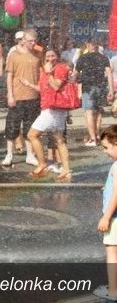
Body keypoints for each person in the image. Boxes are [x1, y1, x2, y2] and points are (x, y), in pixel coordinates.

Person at [23, 48, 73, 181]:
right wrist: (29, 85)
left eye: (53, 56)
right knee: (59, 140)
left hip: (53, 109)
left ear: (57, 56)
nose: (50, 59)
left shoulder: (61, 68)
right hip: (50, 108)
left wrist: (49, 72)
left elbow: (56, 86)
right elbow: (43, 89)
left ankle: (42, 165)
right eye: (48, 56)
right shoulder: (45, 70)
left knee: (32, 135)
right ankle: (66, 171)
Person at [2, 29, 41, 167]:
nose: (33, 43)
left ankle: (30, 155)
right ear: (23, 41)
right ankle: (9, 154)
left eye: (35, 41)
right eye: (30, 41)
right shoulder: (14, 55)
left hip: (34, 96)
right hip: (18, 96)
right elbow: (9, 76)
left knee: (30, 127)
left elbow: (42, 73)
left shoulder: (38, 54)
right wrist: (10, 95)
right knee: (12, 126)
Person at [75, 38, 114, 147]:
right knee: (98, 111)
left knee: (89, 113)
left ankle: (93, 139)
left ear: (88, 45)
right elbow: (109, 73)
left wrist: (71, 80)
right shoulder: (103, 57)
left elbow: (75, 74)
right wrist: (111, 90)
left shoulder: (83, 58)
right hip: (101, 88)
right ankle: (96, 135)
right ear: (97, 46)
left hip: (88, 88)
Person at [96, 125, 117, 301]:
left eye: (106, 147)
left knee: (112, 251)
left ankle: (113, 291)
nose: (105, 152)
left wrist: (106, 217)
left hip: (115, 217)